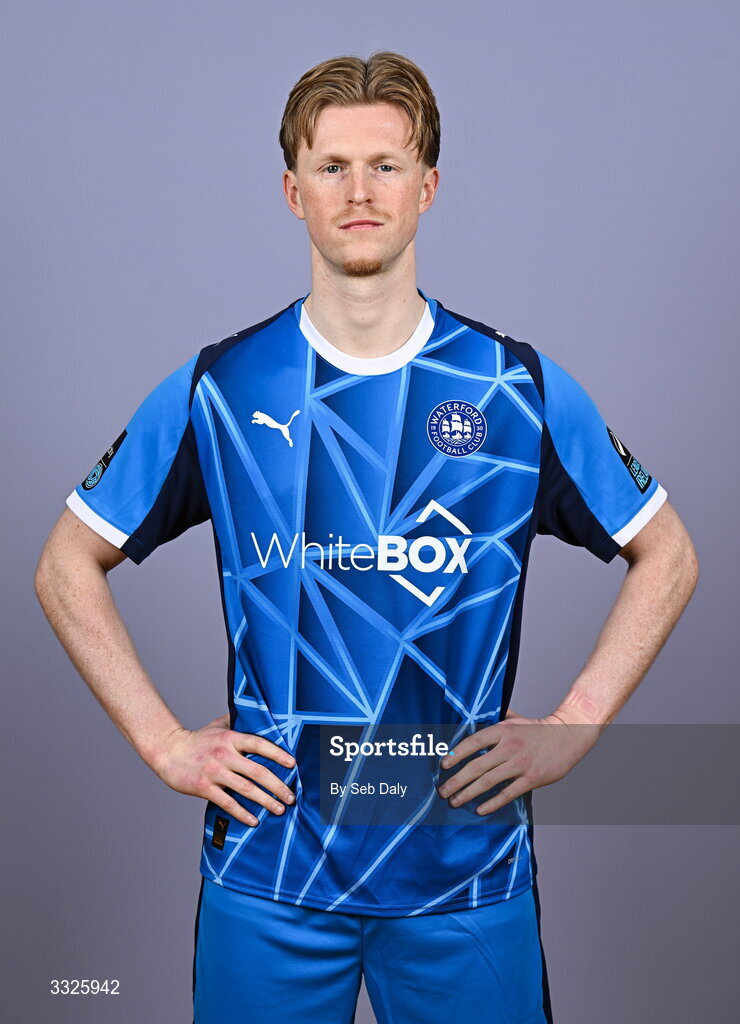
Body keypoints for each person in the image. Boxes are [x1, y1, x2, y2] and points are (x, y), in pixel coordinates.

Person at [35, 50, 698, 1024]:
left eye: (384, 165)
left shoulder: (513, 391)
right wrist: (165, 744)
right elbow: (64, 565)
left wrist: (574, 724)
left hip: (461, 874)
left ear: (426, 186)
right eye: (330, 166)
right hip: (270, 873)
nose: (358, 191)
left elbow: (667, 553)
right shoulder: (222, 389)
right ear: (290, 190)